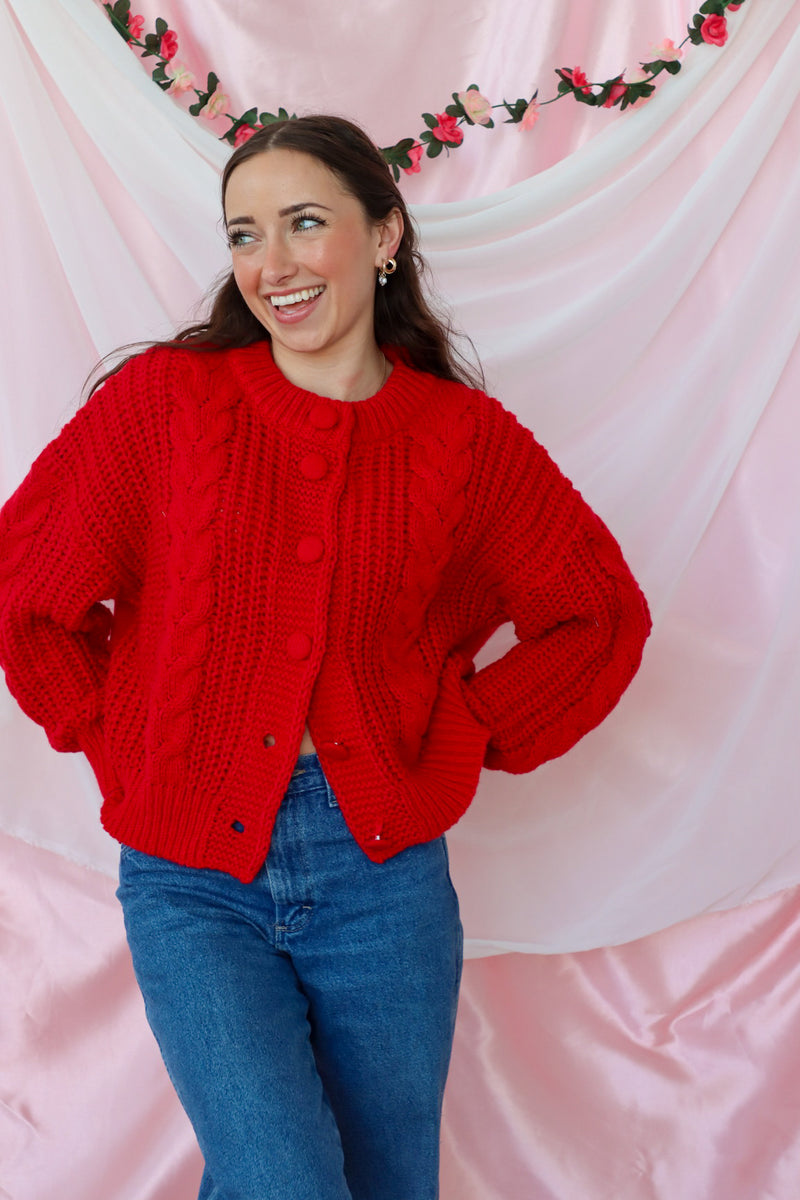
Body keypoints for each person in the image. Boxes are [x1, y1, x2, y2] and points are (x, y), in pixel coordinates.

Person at [0, 115, 651, 1200]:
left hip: (380, 878)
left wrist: (463, 730)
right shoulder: (166, 408)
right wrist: (122, 736)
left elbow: (598, 615)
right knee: (282, 1180)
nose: (272, 264)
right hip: (192, 878)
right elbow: (26, 590)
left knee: (386, 1182)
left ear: (383, 233)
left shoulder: (464, 443)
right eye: (244, 234)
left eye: (304, 224)